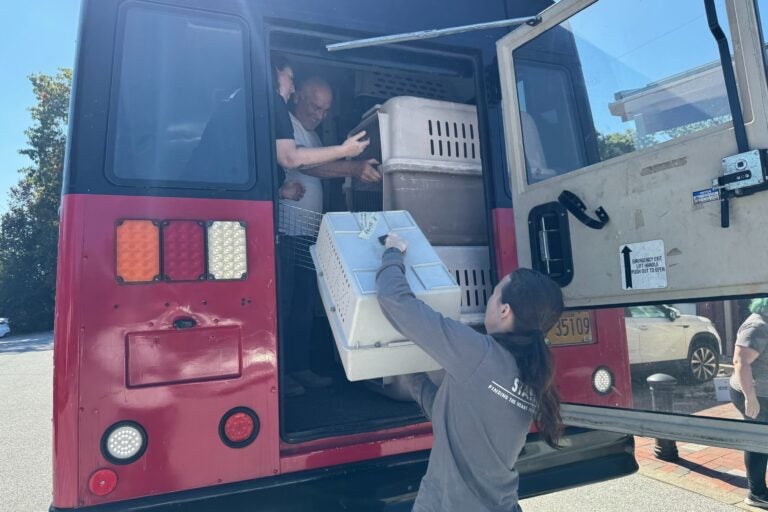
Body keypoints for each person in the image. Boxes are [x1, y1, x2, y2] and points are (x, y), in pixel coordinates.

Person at [376, 232, 564, 512]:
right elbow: (458, 420)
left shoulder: (480, 353)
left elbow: (394, 301)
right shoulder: (529, 375)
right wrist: (413, 375)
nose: (489, 300)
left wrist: (393, 252)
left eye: (494, 293)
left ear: (504, 310)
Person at [279, 74, 382, 397]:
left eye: (325, 110)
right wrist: (352, 167)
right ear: (297, 98)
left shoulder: (310, 134)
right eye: (314, 106)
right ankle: (279, 375)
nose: (319, 115)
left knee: (303, 304)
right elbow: (308, 167)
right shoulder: (289, 128)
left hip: (308, 234)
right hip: (285, 232)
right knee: (283, 305)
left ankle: (299, 368)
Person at [730, 298, 768, 509]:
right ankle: (757, 493)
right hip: (753, 392)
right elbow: (740, 362)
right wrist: (750, 397)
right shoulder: (758, 326)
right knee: (759, 440)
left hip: (762, 391)